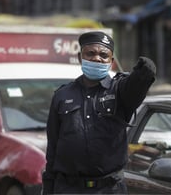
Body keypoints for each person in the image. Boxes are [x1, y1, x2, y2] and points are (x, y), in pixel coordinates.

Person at [42, 31, 156, 194]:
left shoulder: (119, 91)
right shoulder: (62, 95)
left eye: (103, 55)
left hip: (109, 189)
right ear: (80, 57)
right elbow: (52, 148)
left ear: (111, 61)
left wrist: (145, 69)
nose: (97, 58)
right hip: (68, 188)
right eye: (91, 53)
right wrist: (48, 188)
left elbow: (137, 85)